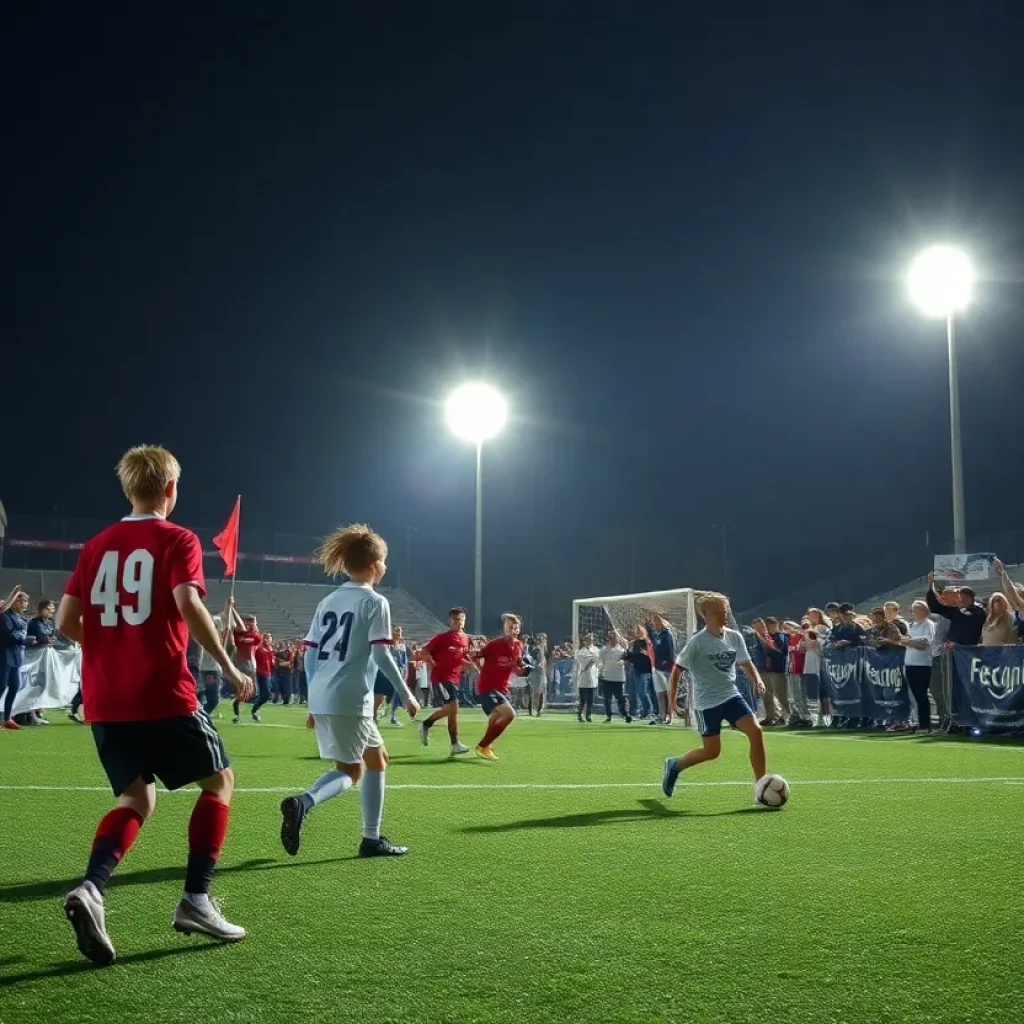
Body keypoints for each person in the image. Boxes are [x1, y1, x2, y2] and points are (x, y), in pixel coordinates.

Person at [55, 445, 253, 966]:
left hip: (104, 699)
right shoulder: (178, 539)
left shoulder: (96, 545)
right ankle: (195, 899)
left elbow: (65, 624)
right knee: (220, 781)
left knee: (136, 800)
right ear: (170, 488)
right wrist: (230, 668)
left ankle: (93, 889)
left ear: (128, 489)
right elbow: (189, 603)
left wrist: (111, 645)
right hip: (161, 692)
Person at [279, 524, 419, 858]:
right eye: (384, 561)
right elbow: (382, 654)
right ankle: (305, 803)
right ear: (374, 565)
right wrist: (406, 693)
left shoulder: (329, 600)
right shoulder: (374, 601)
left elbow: (311, 654)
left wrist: (313, 700)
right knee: (352, 769)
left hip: (326, 694)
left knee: (376, 758)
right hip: (350, 696)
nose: (385, 567)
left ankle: (371, 838)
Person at [661, 592, 769, 799]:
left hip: (731, 695)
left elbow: (745, 663)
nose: (724, 615)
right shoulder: (697, 642)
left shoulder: (734, 637)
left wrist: (758, 680)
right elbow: (677, 671)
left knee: (756, 731)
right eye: (718, 612)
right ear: (705, 616)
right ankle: (675, 765)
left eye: (725, 611)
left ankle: (760, 786)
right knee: (711, 752)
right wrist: (672, 701)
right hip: (706, 702)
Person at [472, 612, 527, 760]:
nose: (511, 629)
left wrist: (521, 669)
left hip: (503, 688)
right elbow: (475, 656)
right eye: (508, 626)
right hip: (488, 687)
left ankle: (485, 747)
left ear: (518, 630)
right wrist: (481, 669)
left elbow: (516, 664)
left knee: (494, 719)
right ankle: (482, 746)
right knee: (509, 715)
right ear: (504, 628)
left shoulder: (519, 646)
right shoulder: (494, 645)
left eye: (514, 627)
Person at [417, 608, 472, 756]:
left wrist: (470, 665)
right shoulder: (442, 638)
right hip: (441, 677)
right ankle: (429, 725)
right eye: (455, 619)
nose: (458, 622)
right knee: (453, 708)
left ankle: (452, 742)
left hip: (455, 678)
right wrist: (432, 663)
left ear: (465, 620)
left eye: (461, 619)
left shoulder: (466, 638)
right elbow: (424, 651)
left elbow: (460, 657)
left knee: (452, 711)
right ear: (450, 621)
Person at [899, 600, 936, 732]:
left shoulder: (928, 624)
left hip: (922, 664)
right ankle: (917, 722)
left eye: (916, 609)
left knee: (921, 695)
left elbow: (926, 642)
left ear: (924, 611)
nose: (913, 612)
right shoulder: (912, 625)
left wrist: (908, 641)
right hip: (909, 662)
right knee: (914, 695)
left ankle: (925, 724)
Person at [1, 590, 31, 729]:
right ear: (15, 601)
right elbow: (9, 635)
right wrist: (23, 637)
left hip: (17, 656)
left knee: (14, 686)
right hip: (4, 655)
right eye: (23, 600)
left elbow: (19, 634)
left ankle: (7, 718)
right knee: (1, 687)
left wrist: (21, 636)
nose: (26, 603)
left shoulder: (22, 618)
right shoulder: (4, 616)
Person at [647, 615, 675, 725]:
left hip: (667, 667)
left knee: (669, 692)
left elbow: (671, 650)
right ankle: (662, 715)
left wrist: (666, 661)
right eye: (654, 623)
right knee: (660, 693)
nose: (655, 625)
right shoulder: (655, 635)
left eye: (657, 623)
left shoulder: (667, 634)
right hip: (657, 667)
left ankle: (670, 716)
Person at [598, 631, 632, 723]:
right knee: (607, 698)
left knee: (620, 697)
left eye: (614, 638)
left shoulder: (622, 650)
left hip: (618, 677)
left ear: (617, 639)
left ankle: (625, 714)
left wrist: (624, 662)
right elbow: (600, 661)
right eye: (610, 638)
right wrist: (600, 670)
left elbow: (628, 659)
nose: (612, 640)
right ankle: (609, 715)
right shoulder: (604, 650)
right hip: (607, 676)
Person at [623, 624, 654, 719]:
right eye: (636, 632)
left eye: (639, 631)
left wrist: (647, 653)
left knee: (642, 692)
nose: (637, 633)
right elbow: (632, 655)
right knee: (636, 692)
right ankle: (641, 711)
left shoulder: (646, 641)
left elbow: (653, 654)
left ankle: (649, 711)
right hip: (635, 669)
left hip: (644, 670)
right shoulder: (635, 643)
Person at [573, 633, 600, 722]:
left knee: (590, 699)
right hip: (583, 678)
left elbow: (599, 662)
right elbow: (583, 666)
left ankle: (588, 715)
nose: (591, 640)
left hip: (593, 677)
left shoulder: (596, 649)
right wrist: (591, 662)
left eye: (592, 638)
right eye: (588, 638)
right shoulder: (580, 652)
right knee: (583, 699)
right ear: (585, 640)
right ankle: (579, 713)